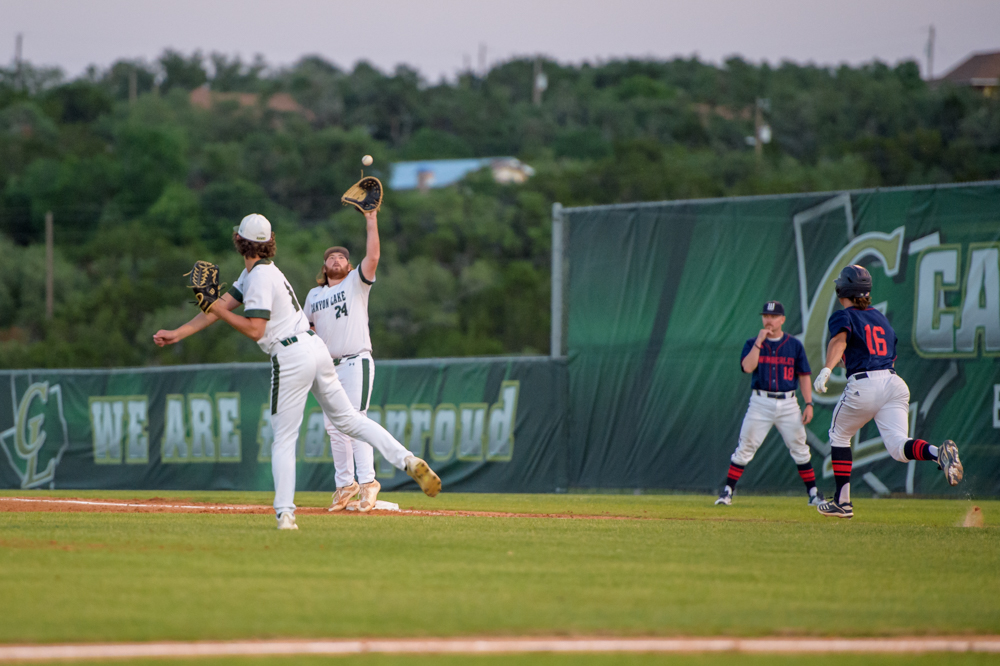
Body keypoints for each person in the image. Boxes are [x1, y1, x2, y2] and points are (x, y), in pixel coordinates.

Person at [153, 213, 440, 529]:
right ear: (269, 242)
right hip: (316, 349)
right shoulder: (257, 273)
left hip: (291, 354)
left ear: (239, 241)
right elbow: (217, 307)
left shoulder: (259, 278)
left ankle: (285, 514)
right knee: (350, 420)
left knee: (285, 439)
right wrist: (179, 332)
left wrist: (217, 309)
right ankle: (407, 460)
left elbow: (255, 329)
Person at [812, 265, 963, 519]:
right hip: (893, 383)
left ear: (843, 289)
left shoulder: (844, 315)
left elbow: (839, 341)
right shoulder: (880, 318)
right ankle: (939, 453)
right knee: (897, 447)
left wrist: (827, 369)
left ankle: (843, 502)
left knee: (839, 435)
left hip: (865, 385)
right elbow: (881, 354)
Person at [304, 209, 381, 513]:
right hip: (327, 367)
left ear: (349, 266)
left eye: (341, 257)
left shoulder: (356, 284)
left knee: (356, 421)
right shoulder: (313, 295)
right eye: (331, 257)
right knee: (335, 428)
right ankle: (345, 484)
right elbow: (304, 328)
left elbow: (373, 257)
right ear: (323, 266)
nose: (336, 259)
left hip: (355, 361)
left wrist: (371, 219)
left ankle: (368, 483)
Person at [716, 301, 823, 507]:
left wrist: (808, 403)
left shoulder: (793, 345)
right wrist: (759, 342)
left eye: (773, 316)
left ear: (782, 320)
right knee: (745, 447)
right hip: (760, 402)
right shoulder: (753, 343)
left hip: (788, 403)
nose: (769, 320)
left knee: (800, 448)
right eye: (765, 315)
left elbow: (804, 375)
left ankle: (813, 494)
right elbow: (747, 368)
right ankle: (727, 492)